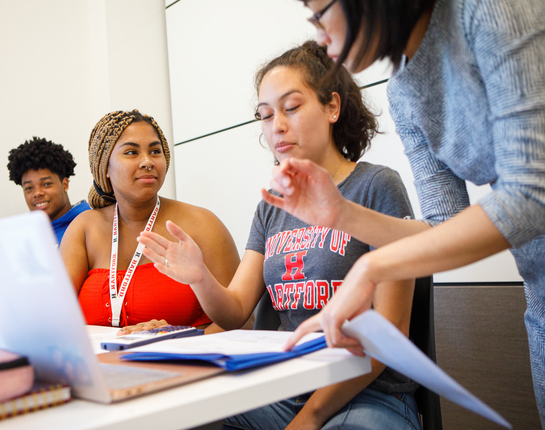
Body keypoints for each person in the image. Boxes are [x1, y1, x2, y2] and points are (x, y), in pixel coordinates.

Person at [272, 0, 545, 425]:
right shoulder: (403, 89)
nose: (319, 34)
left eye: (319, 11)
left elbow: (532, 192)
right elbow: (444, 229)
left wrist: (372, 267)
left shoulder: (488, 10)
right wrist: (342, 213)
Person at [138, 42, 421, 430]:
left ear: (332, 107)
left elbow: (387, 335)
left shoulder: (376, 185)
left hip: (367, 394)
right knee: (181, 413)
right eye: (266, 115)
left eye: (291, 108)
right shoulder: (272, 207)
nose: (277, 127)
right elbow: (236, 311)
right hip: (286, 387)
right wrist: (200, 278)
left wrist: (310, 418)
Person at [60, 110, 241, 334]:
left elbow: (242, 321)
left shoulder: (202, 224)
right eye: (131, 152)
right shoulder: (84, 228)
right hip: (101, 366)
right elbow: (55, 317)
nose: (147, 161)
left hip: (185, 364)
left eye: (155, 151)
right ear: (105, 167)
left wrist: (182, 338)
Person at [7, 137, 90, 244]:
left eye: (46, 184)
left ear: (65, 184)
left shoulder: (90, 223)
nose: (37, 193)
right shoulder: (22, 238)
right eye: (29, 188)